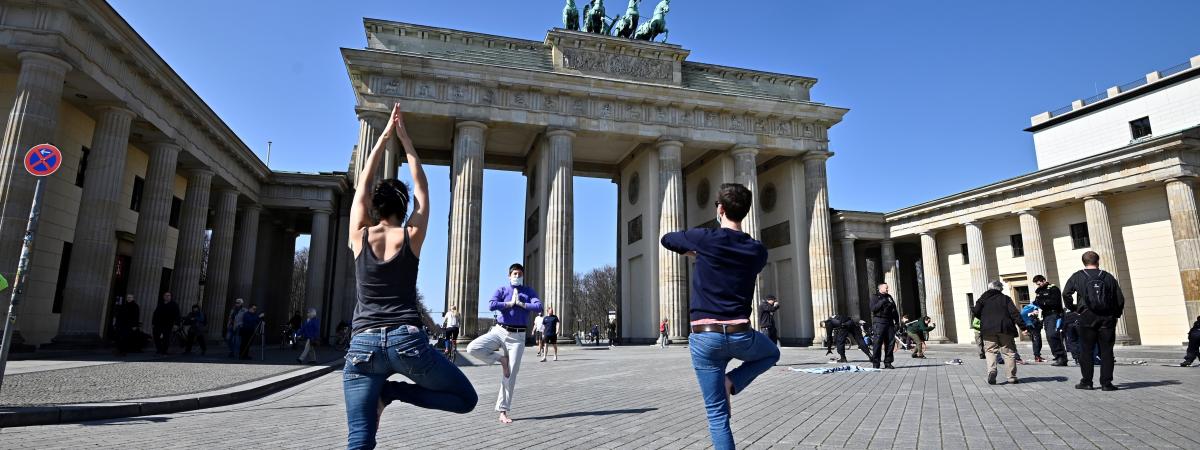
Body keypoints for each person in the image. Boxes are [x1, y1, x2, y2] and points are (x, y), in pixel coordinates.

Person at [343, 103, 476, 449]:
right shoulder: (410, 236)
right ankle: (394, 392)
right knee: (465, 398)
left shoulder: (359, 235)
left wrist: (383, 137)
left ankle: (384, 394)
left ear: (375, 208)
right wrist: (406, 140)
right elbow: (423, 191)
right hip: (407, 343)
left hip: (363, 346)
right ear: (403, 211)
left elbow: (361, 187)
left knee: (359, 438)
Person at [661, 182, 776, 450]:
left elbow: (667, 239)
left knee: (717, 416)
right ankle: (732, 381)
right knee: (772, 353)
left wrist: (696, 252)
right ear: (745, 212)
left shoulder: (705, 239)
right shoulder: (757, 250)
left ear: (720, 209)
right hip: (741, 335)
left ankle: (726, 383)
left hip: (705, 338)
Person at [467, 263, 543, 424]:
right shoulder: (502, 290)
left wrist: (522, 304)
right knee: (472, 347)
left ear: (523, 276)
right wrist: (509, 304)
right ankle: (501, 359)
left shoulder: (528, 291)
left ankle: (503, 411)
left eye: (520, 274)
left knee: (510, 374)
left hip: (518, 337)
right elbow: (491, 304)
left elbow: (539, 306)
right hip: (499, 330)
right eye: (514, 273)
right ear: (509, 276)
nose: (517, 276)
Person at [1062, 251, 1125, 391]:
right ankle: (1106, 383)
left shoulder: (1078, 276)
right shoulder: (1107, 277)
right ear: (1098, 261)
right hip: (1107, 318)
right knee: (1107, 351)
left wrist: (1073, 308)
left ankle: (1087, 382)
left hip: (1086, 316)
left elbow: (1066, 293)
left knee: (1086, 350)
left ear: (1083, 262)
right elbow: (1119, 298)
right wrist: (1116, 314)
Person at [973, 280, 1029, 385]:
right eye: (1002, 288)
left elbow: (976, 311)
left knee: (990, 351)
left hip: (988, 329)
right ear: (999, 288)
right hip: (1005, 328)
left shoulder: (983, 299)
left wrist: (985, 318)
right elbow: (1014, 313)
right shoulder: (1005, 299)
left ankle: (992, 371)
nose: (1003, 289)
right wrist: (1023, 327)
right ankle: (1011, 377)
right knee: (1009, 352)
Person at [1033, 275, 1069, 366]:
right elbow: (1037, 302)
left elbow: (1055, 303)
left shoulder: (1053, 288)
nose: (1039, 285)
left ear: (1044, 280)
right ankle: (1058, 357)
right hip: (1046, 315)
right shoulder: (1038, 291)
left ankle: (1061, 357)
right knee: (1050, 337)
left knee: (1053, 335)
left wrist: (1044, 303)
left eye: (1040, 283)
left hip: (1055, 314)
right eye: (1037, 284)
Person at [869, 283, 899, 370]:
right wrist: (882, 302)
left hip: (889, 323)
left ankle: (888, 362)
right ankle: (876, 364)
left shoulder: (889, 297)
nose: (887, 289)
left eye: (887, 288)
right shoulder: (875, 297)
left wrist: (897, 322)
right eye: (886, 288)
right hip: (879, 322)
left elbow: (894, 310)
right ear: (880, 288)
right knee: (877, 343)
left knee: (890, 343)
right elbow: (873, 309)